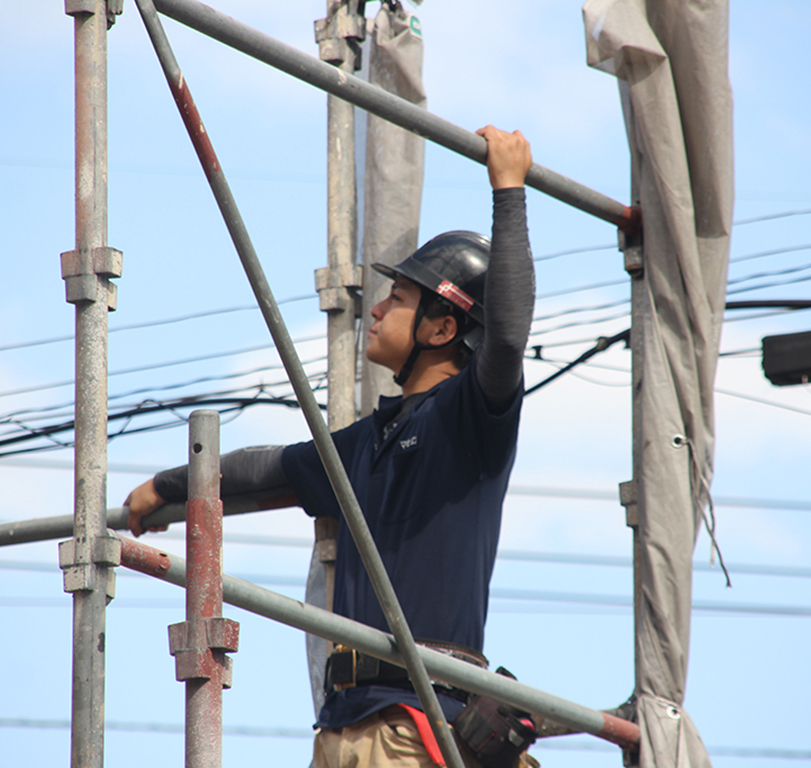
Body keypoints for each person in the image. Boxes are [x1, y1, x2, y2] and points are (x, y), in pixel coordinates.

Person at [125, 125, 536, 768]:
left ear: (443, 326)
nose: (375, 310)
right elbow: (268, 468)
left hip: (414, 719)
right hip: (342, 724)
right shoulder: (370, 440)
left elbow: (507, 339)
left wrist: (508, 190)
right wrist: (169, 487)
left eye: (398, 299)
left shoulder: (469, 417)